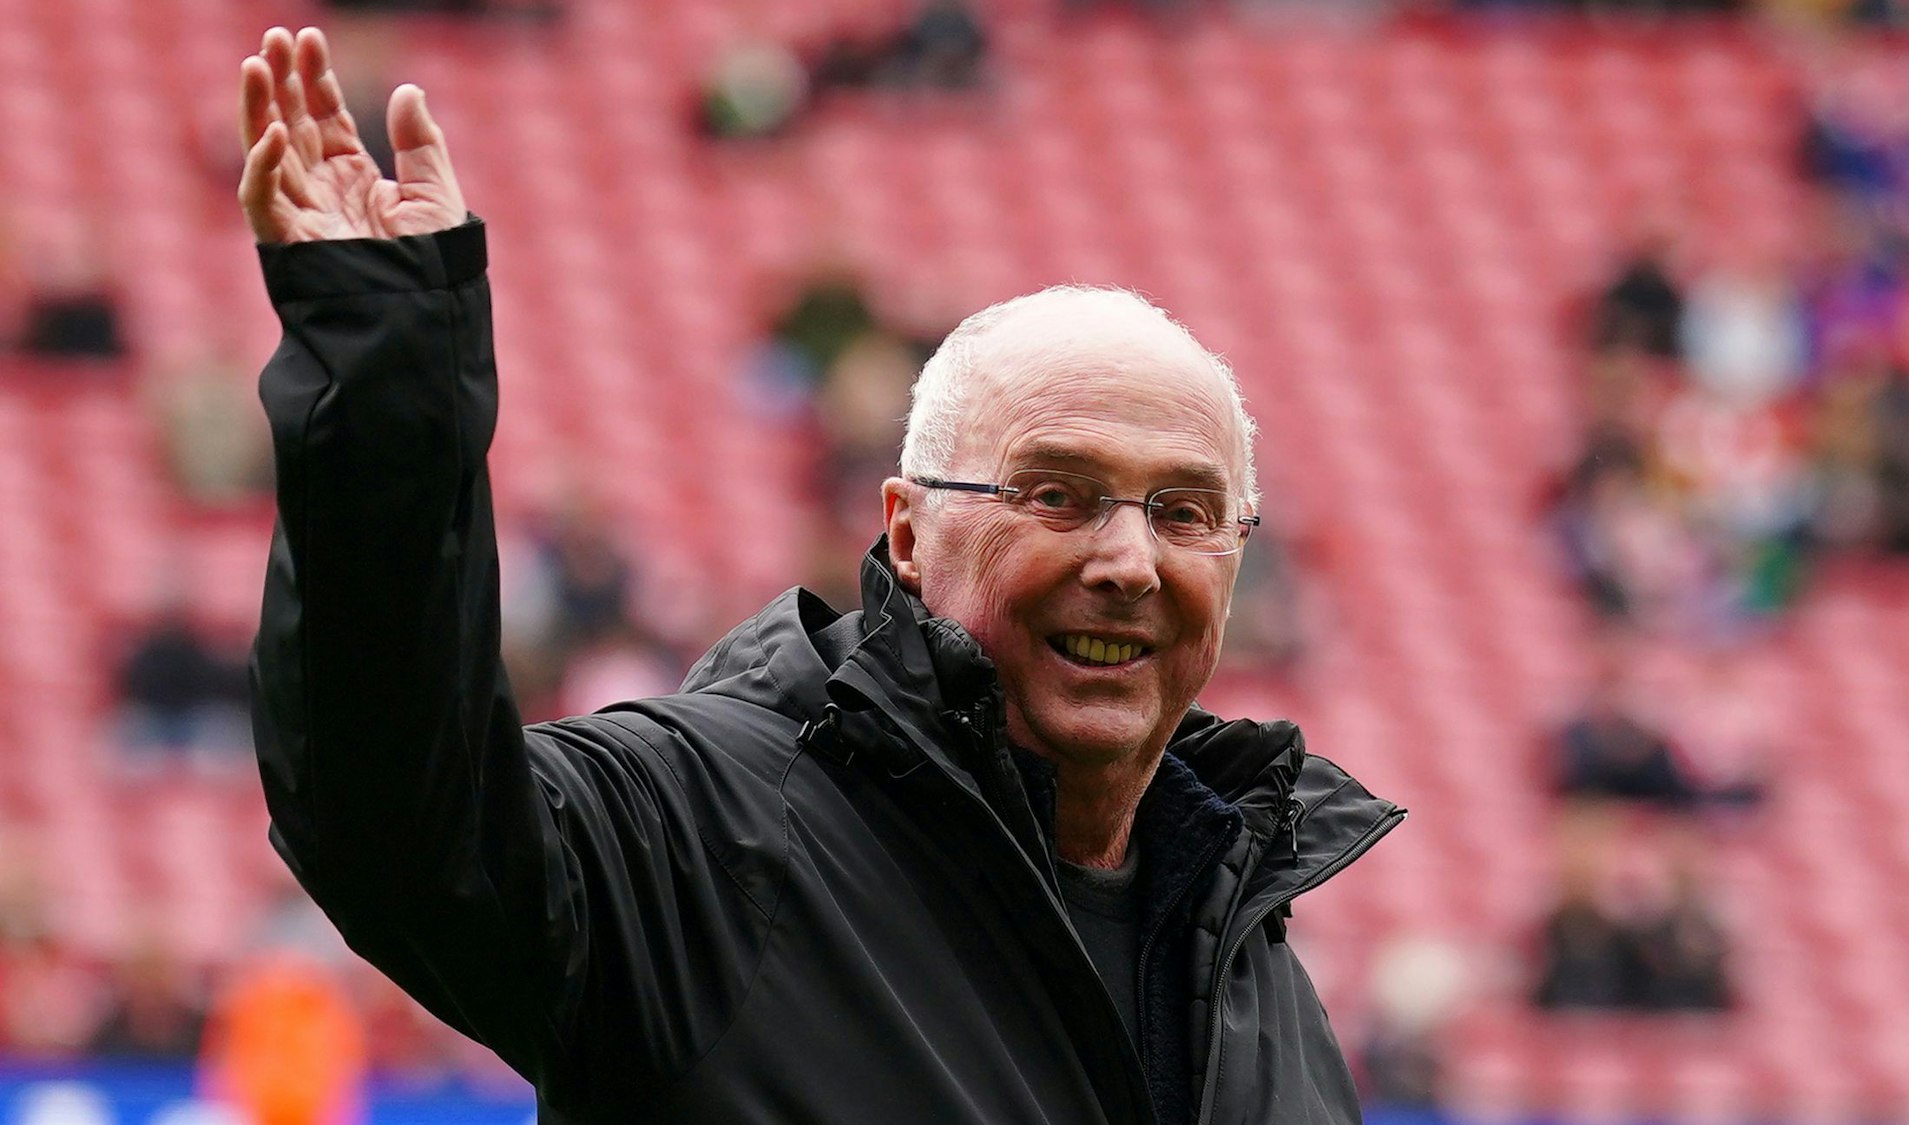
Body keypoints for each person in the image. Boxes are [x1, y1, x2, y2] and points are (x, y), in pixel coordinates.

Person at [237, 25, 1402, 1123]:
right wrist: (388, 387)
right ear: (905, 532)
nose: (1127, 562)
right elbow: (397, 819)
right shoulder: (700, 833)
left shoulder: (1248, 953)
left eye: (1185, 512)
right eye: (1057, 495)